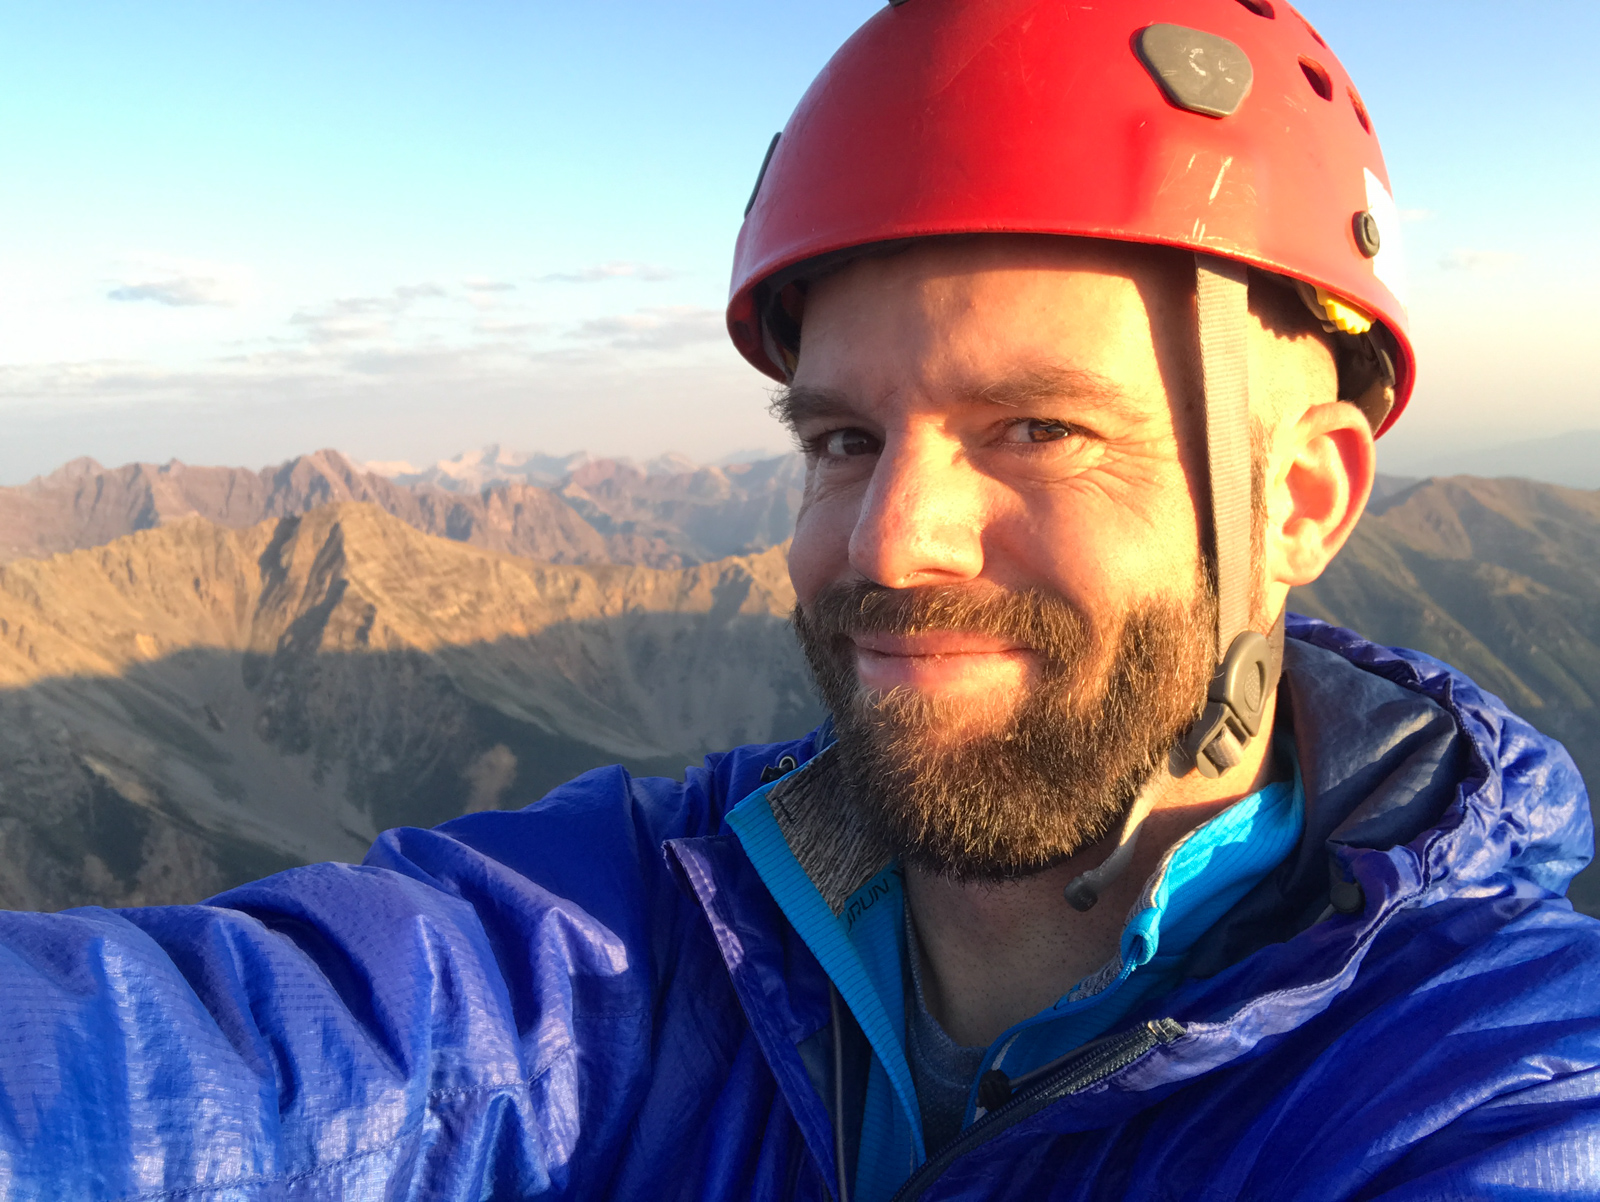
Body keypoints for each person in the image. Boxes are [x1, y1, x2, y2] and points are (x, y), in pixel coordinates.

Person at [4, 2, 1598, 1199]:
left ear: (1300, 498)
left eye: (1034, 427)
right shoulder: (656, 926)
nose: (892, 539)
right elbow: (220, 1052)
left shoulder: (1480, 1079)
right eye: (844, 437)